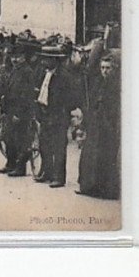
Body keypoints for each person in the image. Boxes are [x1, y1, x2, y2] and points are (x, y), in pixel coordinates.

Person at [35, 44, 82, 188]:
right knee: (44, 144)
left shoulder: (64, 76)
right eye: (43, 59)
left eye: (47, 59)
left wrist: (62, 111)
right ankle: (47, 172)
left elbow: (72, 98)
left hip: (58, 115)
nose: (43, 62)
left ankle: (59, 177)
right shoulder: (44, 73)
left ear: (55, 60)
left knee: (58, 147)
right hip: (45, 113)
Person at [77, 50, 121, 199]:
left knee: (105, 158)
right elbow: (92, 103)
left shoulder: (117, 86)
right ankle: (89, 187)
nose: (105, 71)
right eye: (102, 68)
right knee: (90, 156)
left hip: (108, 126)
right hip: (95, 125)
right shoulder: (98, 83)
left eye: (108, 68)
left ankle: (106, 191)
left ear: (113, 69)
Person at [0, 39, 39, 176]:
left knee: (21, 140)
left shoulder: (27, 72)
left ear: (24, 57)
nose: (15, 60)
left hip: (20, 111)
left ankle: (20, 168)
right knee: (9, 138)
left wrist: (19, 114)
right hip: (10, 109)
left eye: (18, 57)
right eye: (13, 57)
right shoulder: (14, 70)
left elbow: (26, 95)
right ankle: (10, 163)